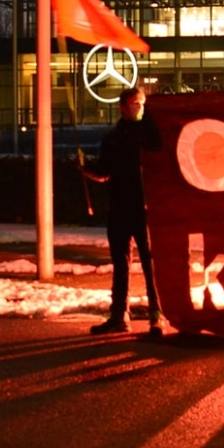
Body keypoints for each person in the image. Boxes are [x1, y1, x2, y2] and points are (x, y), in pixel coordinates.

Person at [79, 85, 166, 336]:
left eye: (142, 104)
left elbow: (158, 148)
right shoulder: (113, 137)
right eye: (135, 105)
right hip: (119, 207)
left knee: (150, 266)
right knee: (121, 264)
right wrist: (87, 167)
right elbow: (105, 172)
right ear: (123, 107)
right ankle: (119, 316)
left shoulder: (148, 133)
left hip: (144, 207)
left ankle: (156, 316)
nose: (140, 108)